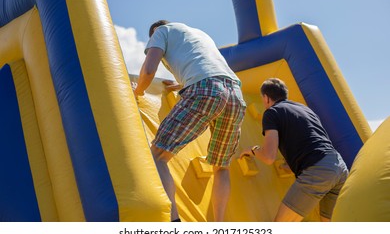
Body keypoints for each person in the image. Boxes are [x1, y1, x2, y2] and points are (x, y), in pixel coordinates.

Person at [132, 20, 246, 222]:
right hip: (236, 94)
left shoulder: (161, 32)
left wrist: (138, 91)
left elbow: (149, 69)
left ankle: (174, 223)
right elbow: (207, 67)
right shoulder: (199, 33)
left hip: (205, 90)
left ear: (153, 33)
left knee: (158, 156)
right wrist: (180, 84)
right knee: (221, 166)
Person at [240, 78, 348, 222]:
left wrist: (252, 150)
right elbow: (313, 143)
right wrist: (290, 164)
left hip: (319, 170)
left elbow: (268, 157)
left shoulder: (272, 112)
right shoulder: (305, 109)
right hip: (339, 167)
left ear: (266, 98)